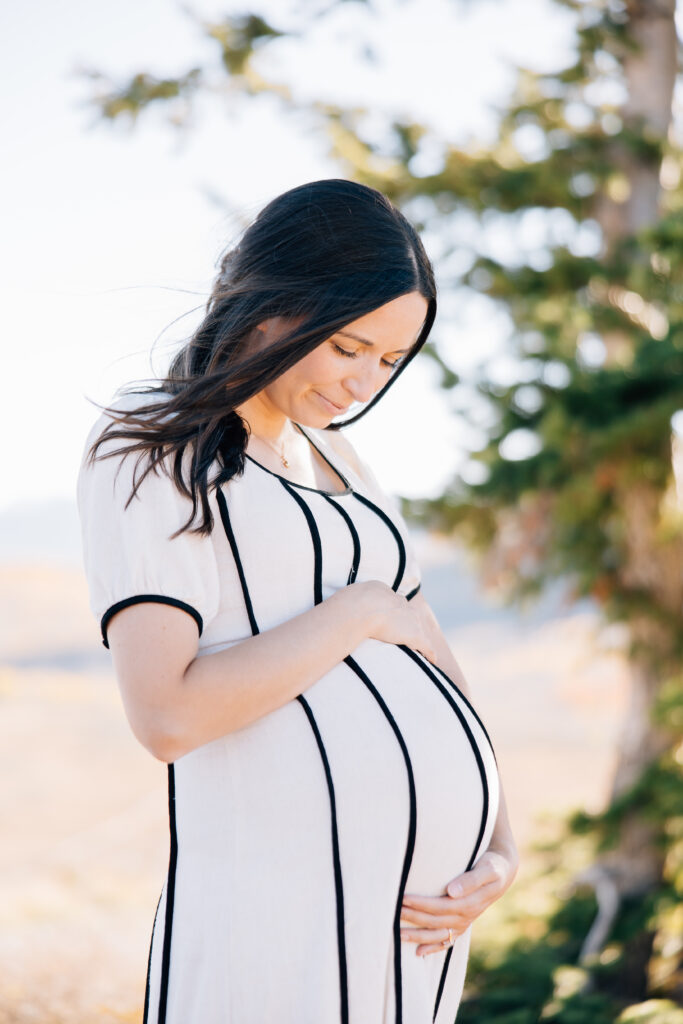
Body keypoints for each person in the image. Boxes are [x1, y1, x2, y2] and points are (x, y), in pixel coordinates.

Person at [77, 178, 518, 1024]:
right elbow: (165, 716)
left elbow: (426, 650)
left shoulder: (346, 462)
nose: (363, 383)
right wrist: (356, 610)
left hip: (416, 933)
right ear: (275, 306)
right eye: (349, 347)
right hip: (276, 922)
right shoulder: (153, 445)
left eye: (389, 362)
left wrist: (499, 848)